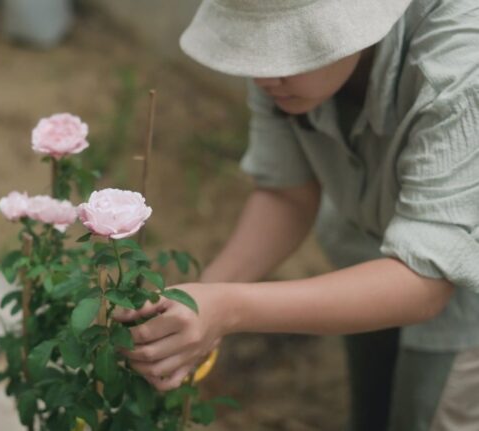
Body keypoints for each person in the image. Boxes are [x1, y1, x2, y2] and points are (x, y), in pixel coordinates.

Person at [113, 0, 479, 430]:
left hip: (463, 289)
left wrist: (229, 308)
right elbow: (289, 195)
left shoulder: (460, 67)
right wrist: (200, 300)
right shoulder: (283, 72)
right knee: (372, 412)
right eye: (256, 46)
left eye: (287, 48)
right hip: (365, 252)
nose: (265, 74)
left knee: (427, 412)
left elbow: (425, 282)